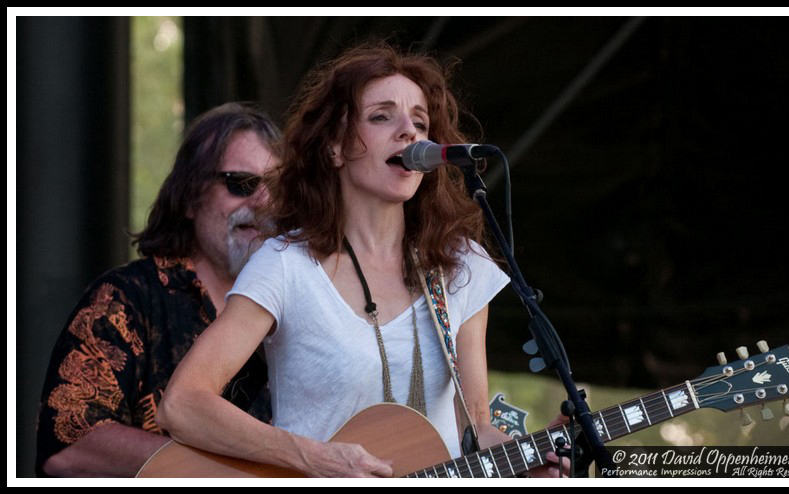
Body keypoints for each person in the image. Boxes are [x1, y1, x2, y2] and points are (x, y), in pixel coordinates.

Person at [157, 43, 568, 478]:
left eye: (420, 121)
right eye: (382, 116)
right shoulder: (285, 266)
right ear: (335, 147)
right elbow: (182, 405)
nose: (409, 131)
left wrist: (524, 462)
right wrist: (314, 456)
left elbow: (476, 431)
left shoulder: (458, 265)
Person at [35, 102, 281, 477]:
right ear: (188, 197)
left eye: (277, 187)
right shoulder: (126, 299)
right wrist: (232, 470)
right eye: (241, 184)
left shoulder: (298, 310)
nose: (263, 202)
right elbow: (70, 445)